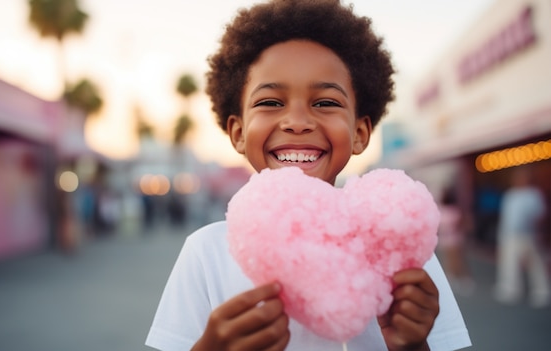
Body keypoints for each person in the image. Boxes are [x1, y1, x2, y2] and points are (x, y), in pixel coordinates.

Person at [146, 1, 471, 350]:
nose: (298, 121)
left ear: (360, 133)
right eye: (270, 103)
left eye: (326, 103)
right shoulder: (207, 251)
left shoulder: (396, 246)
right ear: (238, 132)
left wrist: (413, 345)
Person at [494, 167, 550, 308]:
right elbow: (505, 217)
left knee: (536, 263)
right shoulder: (510, 195)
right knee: (509, 263)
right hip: (510, 234)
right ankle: (510, 289)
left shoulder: (533, 194)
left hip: (529, 234)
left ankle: (542, 291)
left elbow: (541, 214)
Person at [437, 187, 475, 296]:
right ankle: (455, 279)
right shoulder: (453, 210)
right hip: (451, 238)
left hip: (452, 238)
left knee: (455, 260)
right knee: (453, 260)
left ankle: (462, 279)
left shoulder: (446, 211)